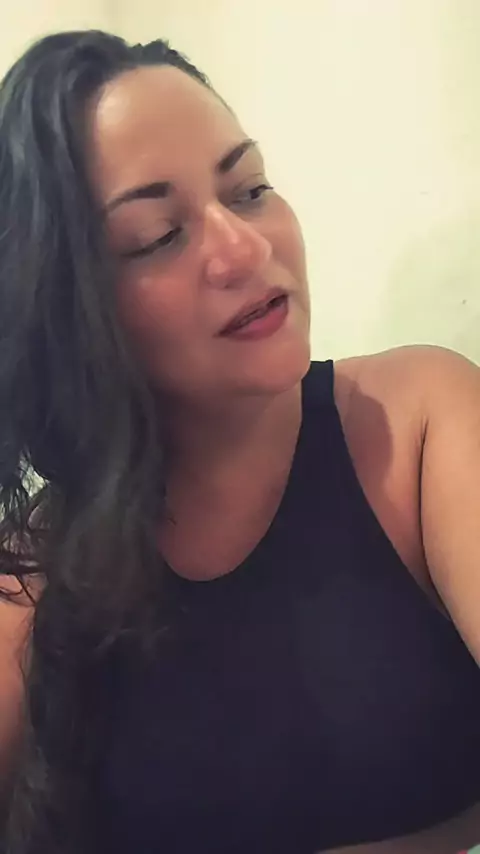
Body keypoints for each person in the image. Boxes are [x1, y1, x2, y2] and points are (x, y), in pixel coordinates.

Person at [0, 29, 479, 854]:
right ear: (68, 305)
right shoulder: (33, 572)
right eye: (159, 236)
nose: (244, 248)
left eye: (250, 189)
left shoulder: (421, 422)